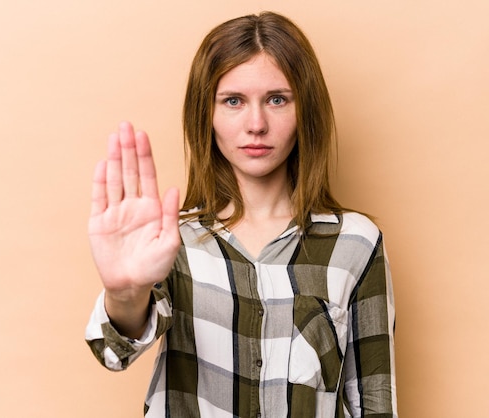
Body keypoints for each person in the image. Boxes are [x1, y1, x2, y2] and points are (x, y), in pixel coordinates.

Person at [85, 11, 397, 418]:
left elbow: (374, 402)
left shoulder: (356, 242)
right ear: (207, 115)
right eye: (233, 101)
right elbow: (113, 352)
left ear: (306, 112)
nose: (256, 124)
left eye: (277, 99)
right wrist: (124, 294)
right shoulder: (170, 240)